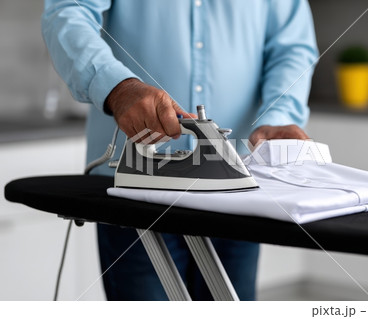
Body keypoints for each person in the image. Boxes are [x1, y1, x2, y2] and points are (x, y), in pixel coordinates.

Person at [41, 0, 318, 300]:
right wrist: (117, 86)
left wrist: (279, 116)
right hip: (132, 195)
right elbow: (67, 13)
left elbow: (292, 46)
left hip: (238, 190)